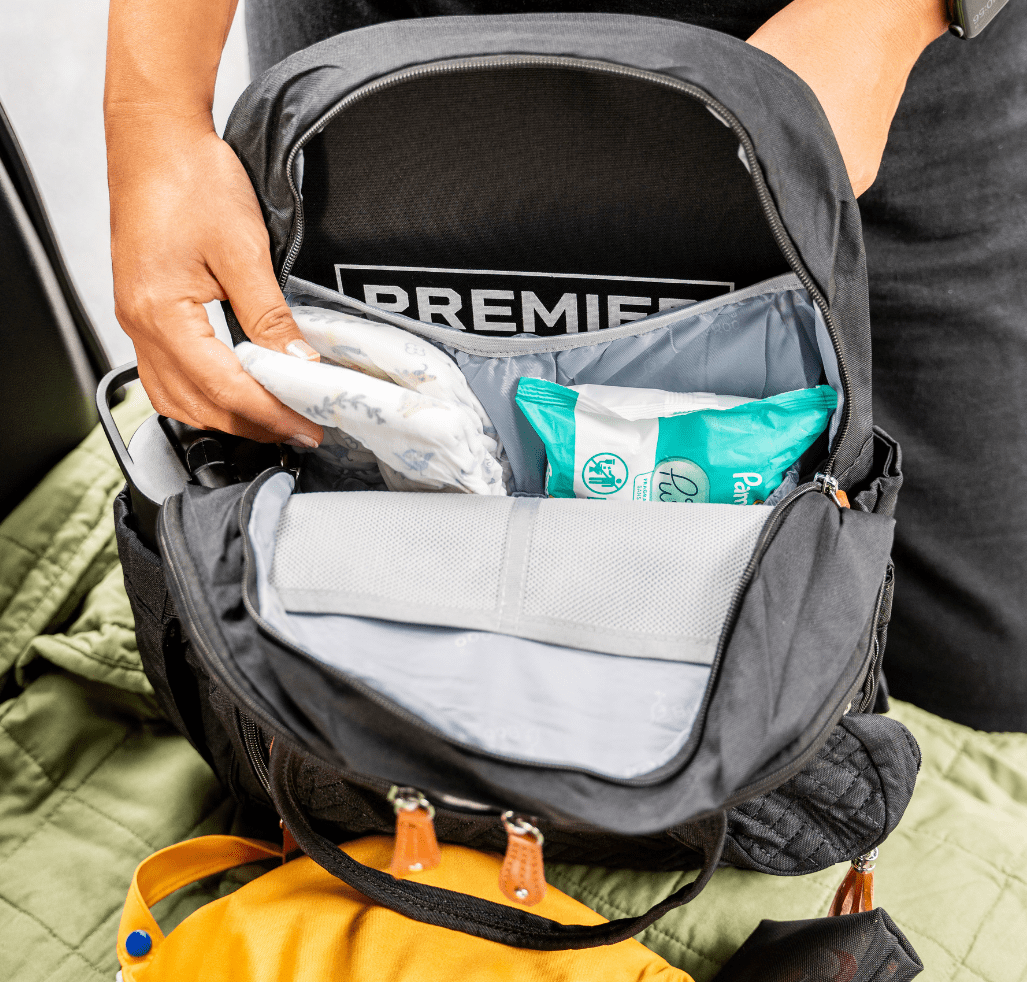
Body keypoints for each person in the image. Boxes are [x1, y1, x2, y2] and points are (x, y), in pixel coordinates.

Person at [104, 0, 1027, 732]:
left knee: (975, 667)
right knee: (368, 620)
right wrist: (153, 113)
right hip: (391, 76)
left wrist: (889, 11)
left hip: (859, 79)